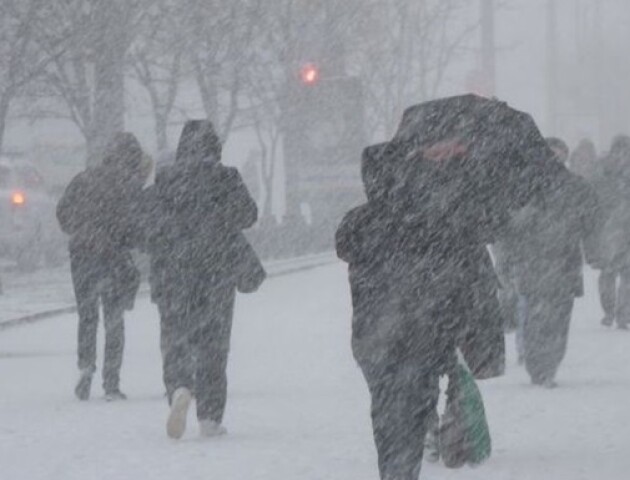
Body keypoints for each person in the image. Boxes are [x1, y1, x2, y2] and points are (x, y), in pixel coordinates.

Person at [143, 120, 258, 439]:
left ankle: (179, 388)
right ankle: (209, 416)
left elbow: (145, 225)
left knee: (175, 339)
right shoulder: (226, 178)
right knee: (214, 344)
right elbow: (249, 215)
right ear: (215, 147)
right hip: (215, 273)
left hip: (172, 275)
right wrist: (217, 218)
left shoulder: (166, 180)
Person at [501, 138, 601, 386]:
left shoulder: (576, 186)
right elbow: (507, 223)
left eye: (558, 153)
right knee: (536, 314)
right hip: (533, 259)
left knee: (559, 316)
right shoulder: (523, 184)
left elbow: (591, 222)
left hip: (564, 260)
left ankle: (549, 364)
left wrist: (594, 251)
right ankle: (539, 366)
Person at [56, 133, 145, 401]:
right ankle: (111, 382)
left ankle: (86, 367)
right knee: (114, 320)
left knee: (87, 316)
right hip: (113, 258)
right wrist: (126, 241)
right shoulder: (129, 186)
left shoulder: (83, 179)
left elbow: (62, 212)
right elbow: (136, 225)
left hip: (82, 255)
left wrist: (80, 231)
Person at [593, 135, 630, 329]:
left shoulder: (602, 168)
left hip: (616, 226)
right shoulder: (603, 170)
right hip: (610, 227)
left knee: (621, 273)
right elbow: (594, 196)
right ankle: (613, 312)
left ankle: (620, 314)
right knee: (612, 272)